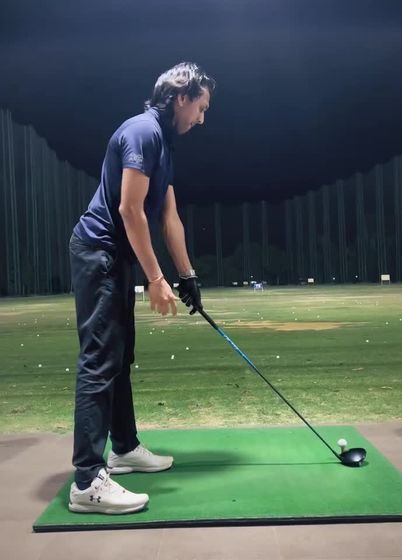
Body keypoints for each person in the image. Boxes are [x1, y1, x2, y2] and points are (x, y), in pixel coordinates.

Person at [68, 62, 215, 514]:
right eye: (201, 108)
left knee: (119, 358)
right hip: (98, 252)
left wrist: (187, 277)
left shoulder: (164, 144)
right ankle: (86, 482)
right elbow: (130, 210)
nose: (202, 119)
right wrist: (155, 278)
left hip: (116, 257)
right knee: (99, 362)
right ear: (181, 98)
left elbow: (169, 218)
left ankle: (125, 448)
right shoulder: (142, 132)